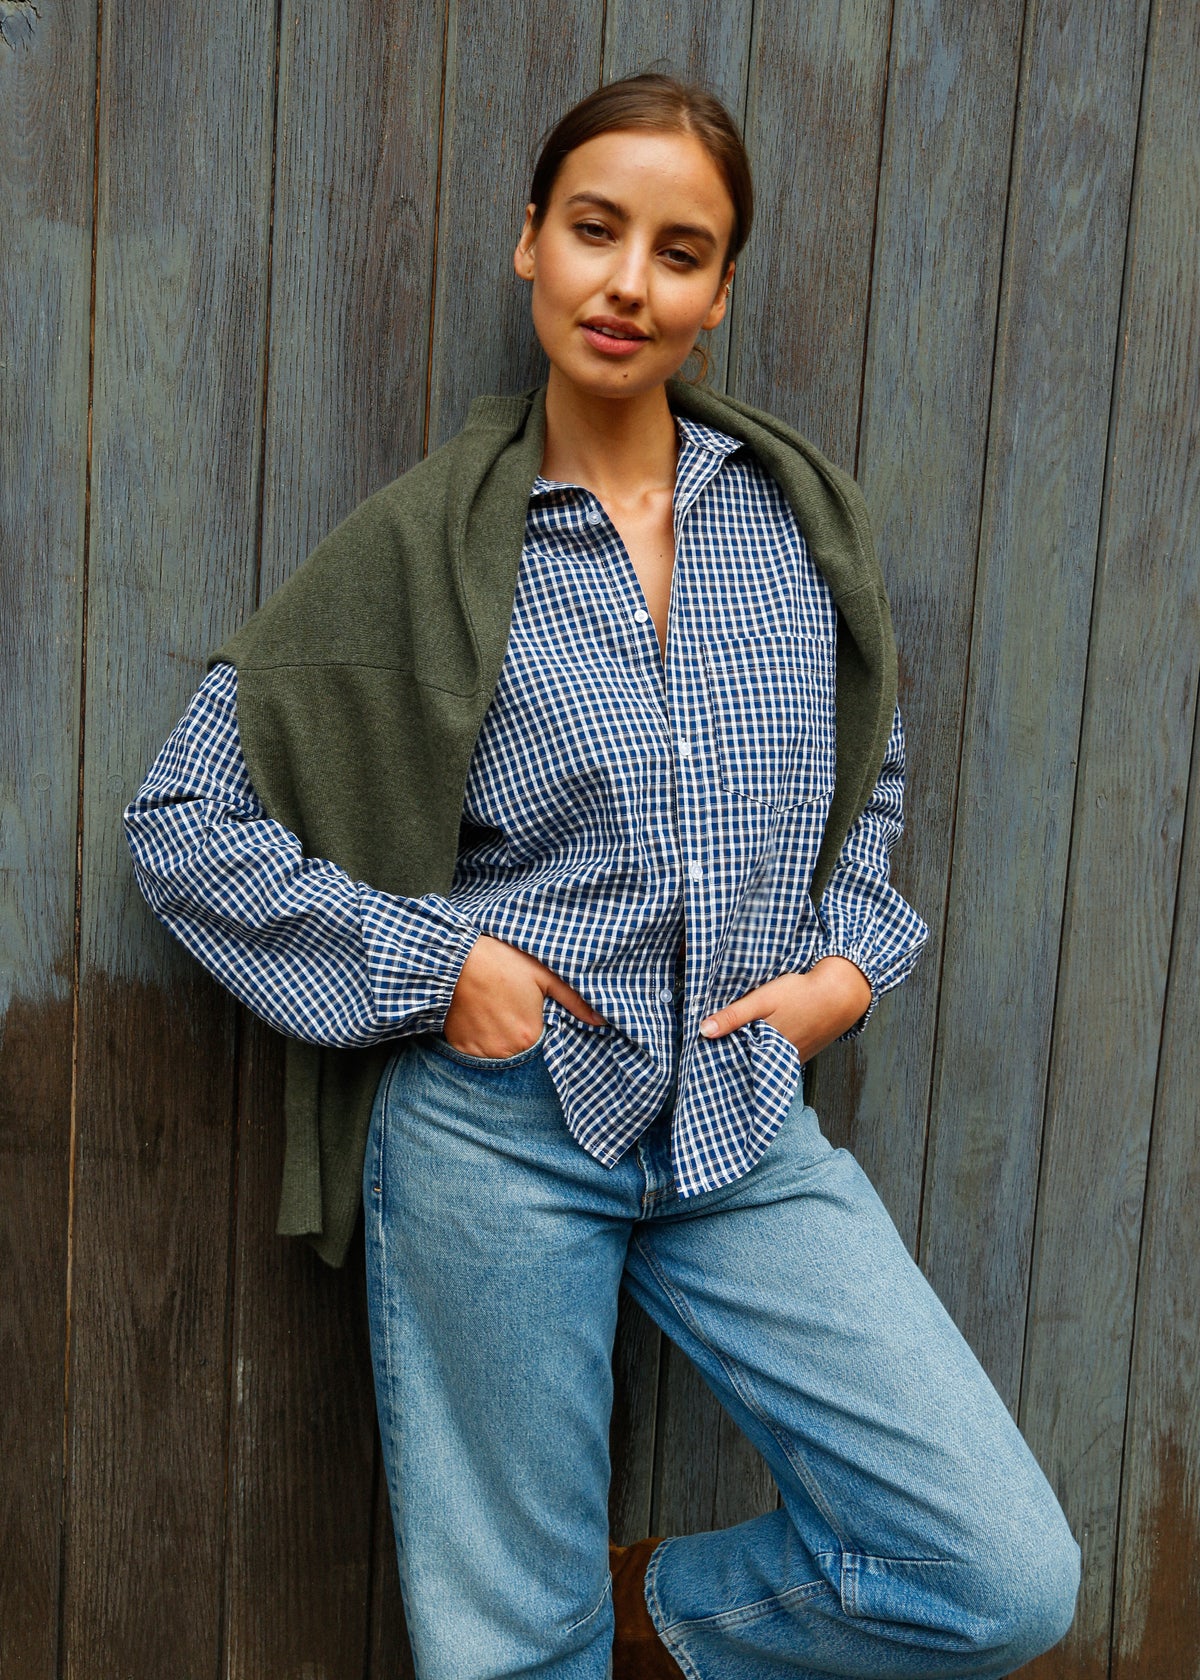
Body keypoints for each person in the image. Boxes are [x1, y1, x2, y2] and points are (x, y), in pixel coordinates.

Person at [125, 71, 1080, 1680]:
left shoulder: (793, 525)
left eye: (680, 250)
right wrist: (440, 970)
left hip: (738, 1117)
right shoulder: (425, 548)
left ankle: (651, 1626)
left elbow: (868, 766)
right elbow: (186, 815)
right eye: (595, 230)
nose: (629, 282)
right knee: (510, 1646)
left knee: (999, 1573)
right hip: (499, 1131)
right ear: (529, 247)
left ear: (719, 295)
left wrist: (850, 964)